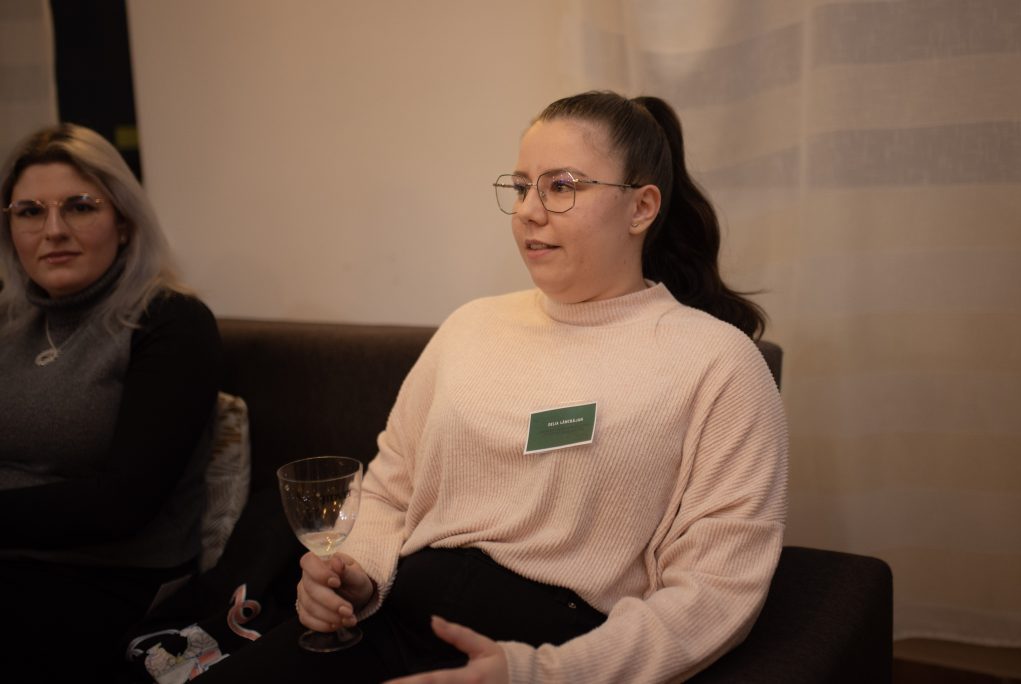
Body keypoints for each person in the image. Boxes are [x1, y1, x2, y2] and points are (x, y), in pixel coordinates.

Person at [198, 90, 788, 684]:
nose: (529, 211)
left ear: (641, 208)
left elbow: (716, 593)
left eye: (561, 187)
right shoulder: (472, 325)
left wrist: (540, 673)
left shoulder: (718, 362)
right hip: (391, 619)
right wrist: (356, 574)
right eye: (522, 187)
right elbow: (386, 493)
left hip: (557, 653)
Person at [0, 123, 222, 681]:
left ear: (123, 221)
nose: (53, 230)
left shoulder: (169, 320)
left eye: (79, 207)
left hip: (111, 583)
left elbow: (124, 504)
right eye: (29, 212)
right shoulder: (6, 322)